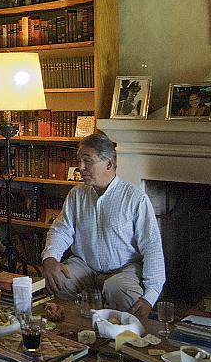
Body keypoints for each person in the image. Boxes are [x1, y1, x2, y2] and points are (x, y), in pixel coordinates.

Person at [40, 132, 165, 320]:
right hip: (85, 265)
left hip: (124, 269)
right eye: (79, 161)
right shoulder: (77, 194)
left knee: (118, 289)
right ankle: (75, 332)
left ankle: (121, 339)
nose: (80, 167)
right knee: (58, 279)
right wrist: (50, 257)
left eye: (87, 161)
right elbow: (61, 229)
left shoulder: (135, 198)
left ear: (108, 163)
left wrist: (151, 295)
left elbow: (152, 246)